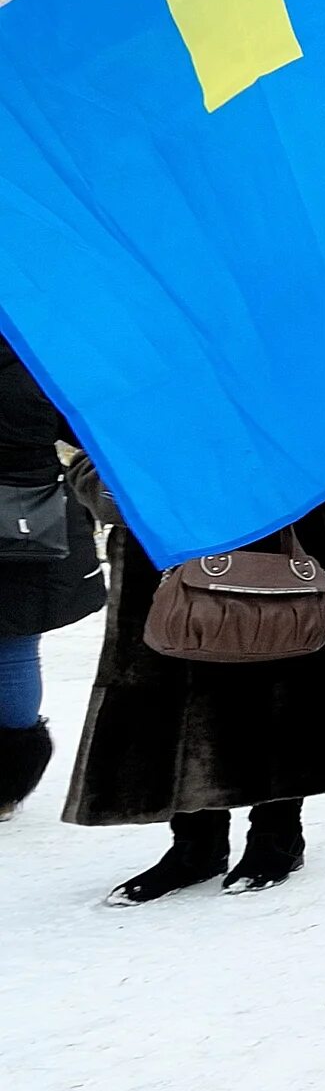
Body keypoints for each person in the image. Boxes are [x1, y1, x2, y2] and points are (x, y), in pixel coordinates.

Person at [65, 491, 325, 900]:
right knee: (175, 686)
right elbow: (93, 438)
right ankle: (196, 843)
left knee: (285, 686)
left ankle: (278, 835)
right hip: (166, 527)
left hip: (289, 526)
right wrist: (115, 483)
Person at [0, 337, 105, 819]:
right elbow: (90, 431)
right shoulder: (39, 359)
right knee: (17, 649)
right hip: (29, 524)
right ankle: (6, 784)